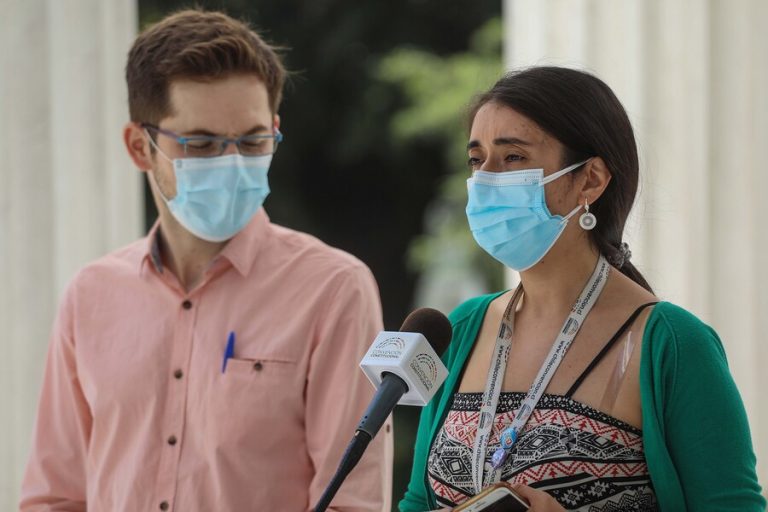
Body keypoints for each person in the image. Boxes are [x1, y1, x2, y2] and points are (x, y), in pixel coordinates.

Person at [20, 9, 392, 512]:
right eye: (201, 143)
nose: (232, 162)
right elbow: (55, 496)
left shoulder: (333, 289)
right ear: (139, 146)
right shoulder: (90, 295)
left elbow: (352, 501)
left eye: (253, 140)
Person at [399, 66, 765, 511]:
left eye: (513, 157)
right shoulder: (461, 328)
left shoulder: (672, 344)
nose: (487, 179)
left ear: (590, 179)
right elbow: (419, 501)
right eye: (477, 160)